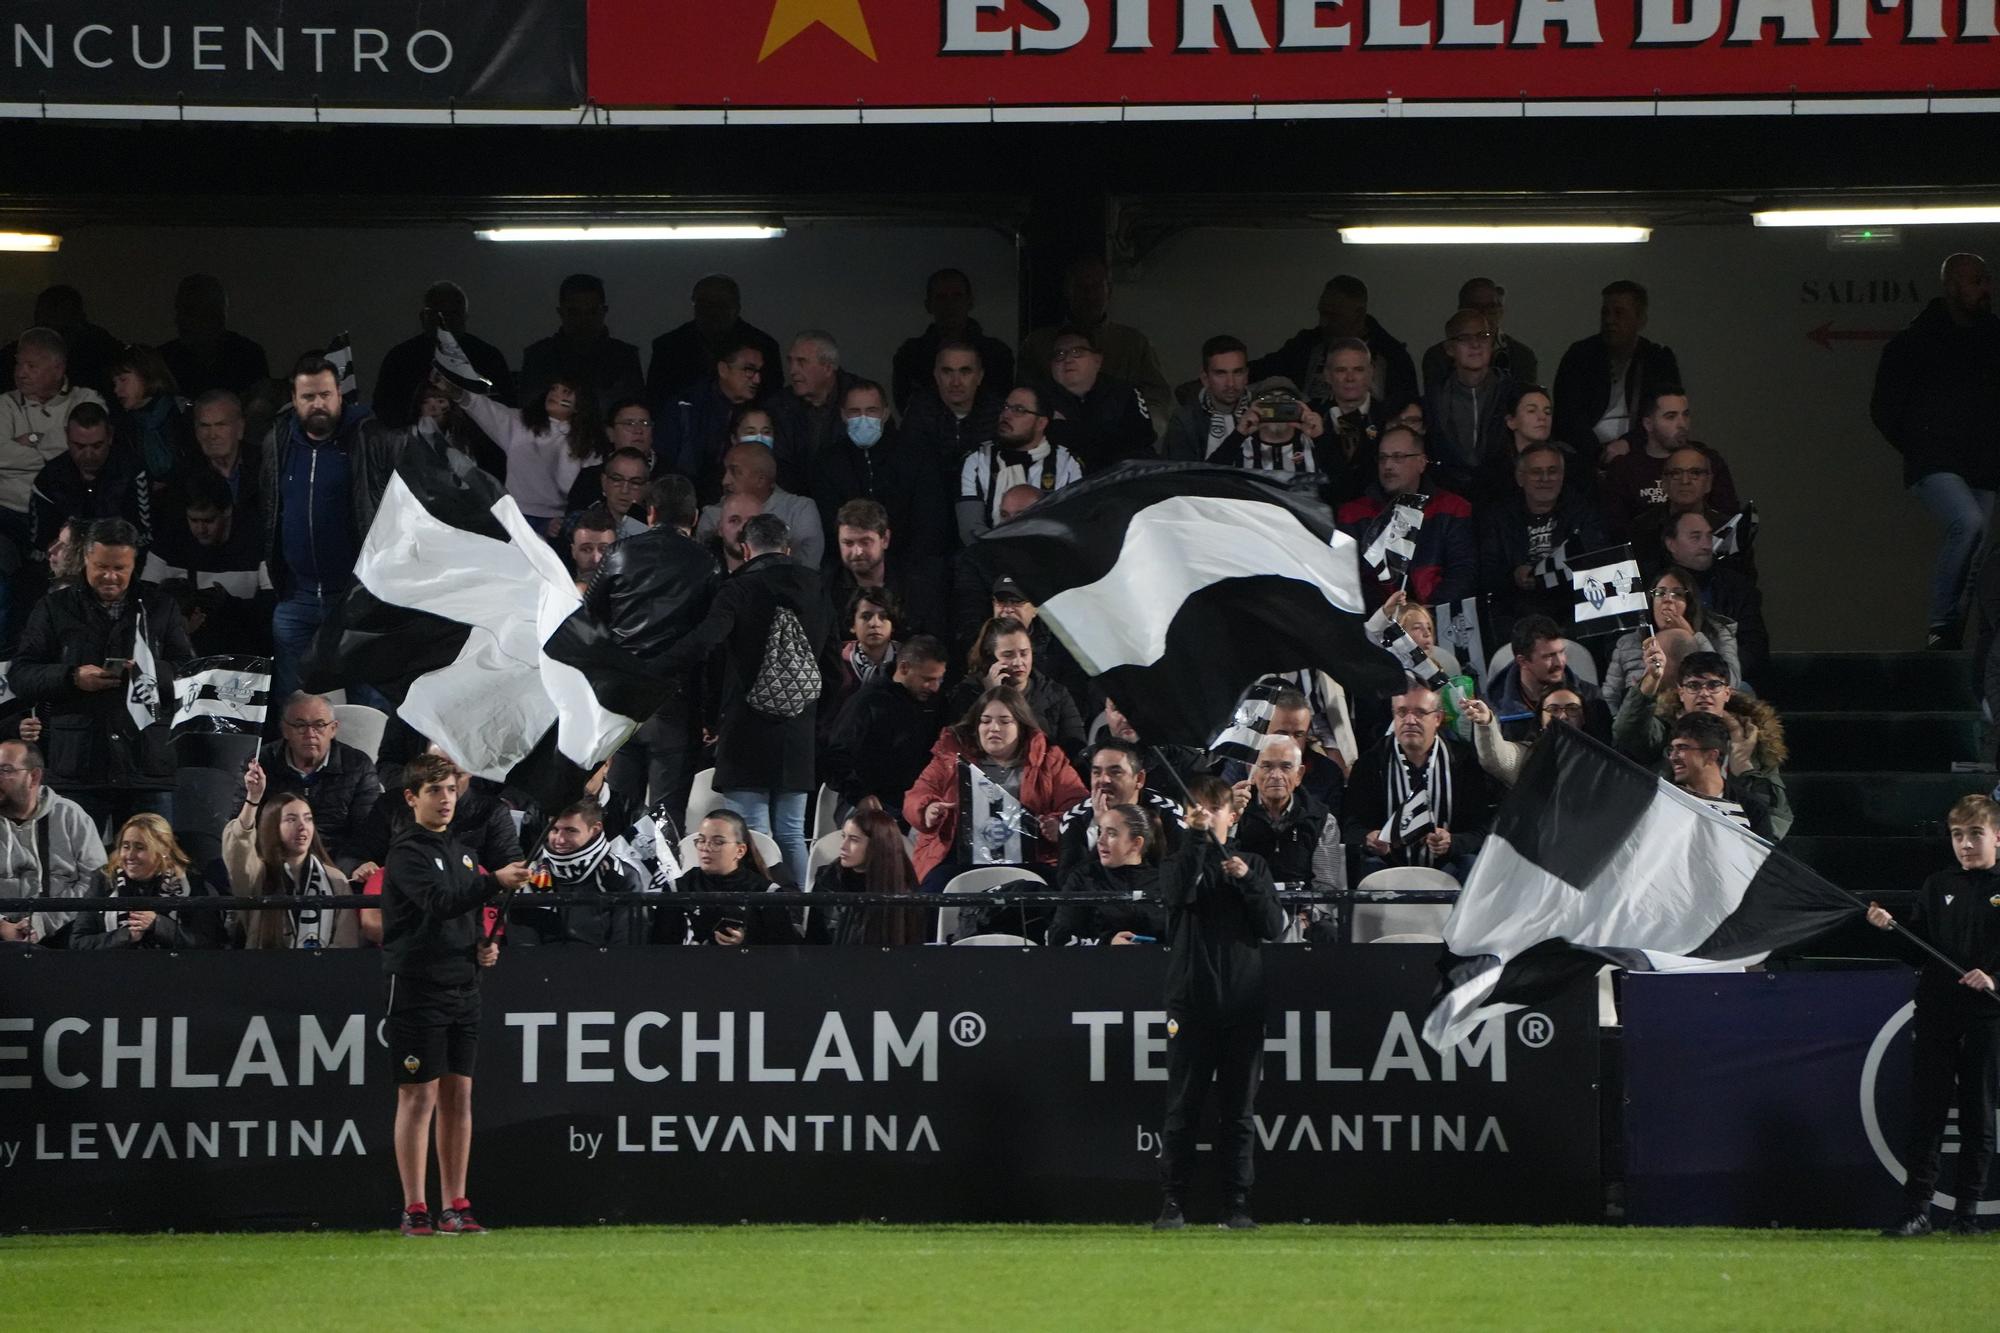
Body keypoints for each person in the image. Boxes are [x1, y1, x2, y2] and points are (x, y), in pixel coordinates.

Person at [380, 752, 530, 1237]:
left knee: (459, 1094)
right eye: (434, 791)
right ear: (412, 798)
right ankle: (414, 1206)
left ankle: (455, 1203)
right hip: (419, 985)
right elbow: (440, 903)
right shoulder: (406, 852)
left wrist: (484, 947)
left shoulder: (464, 852)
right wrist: (492, 882)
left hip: (465, 986)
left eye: (450, 790)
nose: (445, 800)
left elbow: (466, 918)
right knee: (417, 1097)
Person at [656, 514, 831, 880]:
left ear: (746, 549)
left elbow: (708, 647)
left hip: (746, 726)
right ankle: (795, 919)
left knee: (753, 830)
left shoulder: (738, 588)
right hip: (798, 728)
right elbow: (831, 664)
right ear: (787, 548)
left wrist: (656, 667)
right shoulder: (817, 586)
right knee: (791, 832)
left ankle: (762, 916)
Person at [1154, 772, 1284, 1231]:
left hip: (1242, 1008)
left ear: (1234, 814)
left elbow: (1274, 926)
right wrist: (1194, 842)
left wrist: (1248, 881)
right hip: (1191, 1005)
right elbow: (1172, 896)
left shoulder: (1254, 865)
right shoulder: (1180, 862)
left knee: (1239, 1112)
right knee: (1182, 1108)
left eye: (1215, 809)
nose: (1208, 817)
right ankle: (1173, 1203)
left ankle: (1238, 1204)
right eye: (1199, 810)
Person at [1869, 794, 2000, 1237]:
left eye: (1975, 834)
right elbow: (1915, 951)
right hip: (1937, 1013)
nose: (1965, 844)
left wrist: (1995, 978)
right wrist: (1891, 929)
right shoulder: (1937, 884)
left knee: (1977, 1116)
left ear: (1997, 836)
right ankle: (1917, 1212)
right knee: (1926, 1115)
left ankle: (1966, 1215)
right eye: (1958, 835)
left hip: (1987, 1017)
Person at [9, 518, 191, 832]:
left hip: (146, 766)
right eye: (101, 566)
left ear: (135, 563)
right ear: (86, 560)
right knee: (71, 870)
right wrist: (72, 677)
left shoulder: (161, 606)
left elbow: (189, 674)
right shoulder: (54, 608)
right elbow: (22, 674)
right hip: (79, 767)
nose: (110, 576)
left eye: (120, 568)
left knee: (155, 868)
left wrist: (148, 673)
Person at [260, 353, 414, 709]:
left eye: (325, 395)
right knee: (294, 700)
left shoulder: (370, 436)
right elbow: (270, 510)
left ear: (340, 395)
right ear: (294, 400)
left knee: (368, 701)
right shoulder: (278, 442)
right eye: (308, 396)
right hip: (296, 596)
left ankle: (372, 766)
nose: (318, 404)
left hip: (354, 596)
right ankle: (294, 766)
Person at [1872, 253, 2000, 649]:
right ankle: (1942, 624)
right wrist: (1922, 444)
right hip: (1938, 459)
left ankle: (1948, 637)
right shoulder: (1915, 343)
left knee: (1975, 545)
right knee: (1969, 525)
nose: (1985, 289)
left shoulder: (1992, 339)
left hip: (1985, 462)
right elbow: (1885, 407)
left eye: (1985, 280)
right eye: (1975, 281)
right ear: (1952, 286)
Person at [587, 475, 720, 817]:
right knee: (666, 818)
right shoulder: (706, 565)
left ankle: (619, 871)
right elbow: (711, 641)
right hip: (675, 704)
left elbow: (588, 621)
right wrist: (711, 711)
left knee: (617, 810)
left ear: (650, 513)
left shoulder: (618, 555)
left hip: (621, 701)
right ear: (694, 517)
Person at [903, 684, 1086, 892]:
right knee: (934, 889)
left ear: (1021, 726)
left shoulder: (1049, 758)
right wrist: (927, 809)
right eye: (985, 721)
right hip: (958, 858)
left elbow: (1078, 807)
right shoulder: (950, 755)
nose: (994, 728)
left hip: (1033, 858)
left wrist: (1058, 823)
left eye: (1004, 721)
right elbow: (916, 795)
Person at [1612, 648, 1792, 837]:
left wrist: (1746, 770)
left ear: (1727, 693)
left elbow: (1777, 814)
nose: (1704, 693)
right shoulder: (1665, 731)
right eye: (1694, 686)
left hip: (1736, 840)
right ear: (1681, 692)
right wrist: (1651, 679)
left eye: (1713, 685)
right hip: (1671, 834)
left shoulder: (1754, 740)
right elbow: (1626, 731)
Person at [0, 328, 106, 641]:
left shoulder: (86, 400)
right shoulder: (5, 404)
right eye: (19, 364)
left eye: (31, 366)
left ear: (58, 368)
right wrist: (51, 452)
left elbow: (81, 450)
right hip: (7, 514)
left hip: (61, 517)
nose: (21, 373)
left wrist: (28, 444)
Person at [1342, 682, 1492, 882]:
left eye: (1420, 713)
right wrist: (1368, 838)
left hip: (1448, 867)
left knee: (1471, 865)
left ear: (1438, 718)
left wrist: (1453, 842)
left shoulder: (1463, 761)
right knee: (1368, 868)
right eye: (1402, 712)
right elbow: (1350, 826)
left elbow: (1482, 829)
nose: (1410, 720)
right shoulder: (1371, 762)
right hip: (1386, 867)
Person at [435, 370, 600, 536]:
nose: (556, 394)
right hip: (515, 515)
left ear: (580, 403)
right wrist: (453, 390)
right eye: (553, 389)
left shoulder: (586, 440)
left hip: (555, 522)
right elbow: (482, 407)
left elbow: (581, 488)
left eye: (565, 392)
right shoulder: (520, 423)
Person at [1476, 441, 1609, 644]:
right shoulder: (1498, 516)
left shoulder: (1583, 512)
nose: (1545, 479)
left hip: (1568, 602)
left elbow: (1595, 560)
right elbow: (1487, 569)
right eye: (1536, 472)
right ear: (1520, 478)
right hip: (1516, 604)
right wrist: (1513, 575)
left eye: (1552, 471)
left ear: (1562, 476)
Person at [1334, 424, 1477, 612]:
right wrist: (1389, 613)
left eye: (1398, 457)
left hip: (1439, 620)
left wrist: (1424, 614)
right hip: (1375, 623)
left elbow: (1463, 571)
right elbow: (1350, 578)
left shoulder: (1453, 508)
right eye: (1383, 458)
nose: (1388, 465)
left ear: (1422, 462)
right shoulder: (1353, 514)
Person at [1020, 255, 1173, 429]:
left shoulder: (1133, 343)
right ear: (1067, 291)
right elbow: (1024, 396)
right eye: (1081, 288)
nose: (1089, 296)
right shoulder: (1038, 343)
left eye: (1096, 287)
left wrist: (1142, 427)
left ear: (1109, 291)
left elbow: (1157, 395)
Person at [234, 692, 382, 870]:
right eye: (300, 725)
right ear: (285, 730)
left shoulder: (358, 765)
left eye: (319, 725)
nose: (310, 734)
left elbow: (365, 831)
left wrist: (349, 866)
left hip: (338, 862)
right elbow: (239, 823)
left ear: (333, 729)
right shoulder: (259, 763)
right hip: (275, 862)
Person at [142, 469, 275, 656]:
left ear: (227, 511)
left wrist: (231, 605)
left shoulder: (256, 538)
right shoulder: (170, 539)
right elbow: (145, 597)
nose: (200, 529)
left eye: (208, 520)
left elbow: (270, 607)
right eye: (193, 520)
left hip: (242, 646)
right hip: (183, 648)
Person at [813, 377, 950, 559]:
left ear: (885, 414)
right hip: (852, 565)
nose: (863, 418)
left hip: (910, 565)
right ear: (843, 415)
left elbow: (929, 522)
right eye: (855, 412)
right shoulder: (828, 462)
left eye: (871, 411)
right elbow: (830, 524)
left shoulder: (916, 455)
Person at [1552, 279, 1684, 466]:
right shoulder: (1580, 355)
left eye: (1619, 313)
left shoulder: (1657, 359)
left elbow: (1667, 414)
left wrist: (1629, 443)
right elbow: (1568, 416)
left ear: (1641, 320)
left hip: (1641, 450)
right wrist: (1599, 453)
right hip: (1585, 454)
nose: (1609, 320)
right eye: (1605, 313)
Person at [823, 634, 950, 818]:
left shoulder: (936, 703)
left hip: (920, 804)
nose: (934, 687)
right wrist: (860, 796)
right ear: (904, 667)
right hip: (872, 808)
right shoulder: (868, 702)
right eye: (927, 679)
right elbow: (835, 757)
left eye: (940, 679)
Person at [1251, 274, 1418, 408]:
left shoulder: (1392, 357)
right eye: (1322, 313)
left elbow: (1406, 410)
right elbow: (1263, 369)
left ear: (1359, 314)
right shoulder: (1306, 346)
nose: (1323, 322)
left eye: (1333, 316)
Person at [372, 282, 516, 438]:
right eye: (438, 313)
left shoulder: (488, 357)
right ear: (424, 317)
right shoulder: (400, 358)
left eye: (453, 314)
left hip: (478, 450)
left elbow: (506, 409)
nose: (445, 320)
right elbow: (384, 410)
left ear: (464, 316)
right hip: (414, 448)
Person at [1597, 386, 1740, 541]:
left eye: (1685, 415)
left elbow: (1729, 518)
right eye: (1670, 417)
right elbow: (1616, 531)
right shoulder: (1626, 468)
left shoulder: (1708, 459)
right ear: (1648, 424)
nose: (1682, 424)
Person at [0, 738, 106, 947]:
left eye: (5, 770)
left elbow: (95, 881)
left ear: (33, 777)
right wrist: (2, 926)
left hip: (63, 933)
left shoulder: (71, 816)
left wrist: (43, 922)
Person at [68, 813, 224, 950]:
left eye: (140, 847)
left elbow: (209, 943)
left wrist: (158, 925)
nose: (130, 855)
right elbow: (79, 942)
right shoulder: (103, 880)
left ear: (163, 850)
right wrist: (125, 936)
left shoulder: (192, 883)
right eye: (125, 846)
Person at [227, 791, 363, 949]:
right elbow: (238, 850)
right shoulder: (256, 874)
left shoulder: (335, 879)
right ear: (272, 826)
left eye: (308, 819)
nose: (302, 826)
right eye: (291, 819)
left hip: (321, 970)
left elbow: (345, 943)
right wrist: (252, 800)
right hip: (262, 970)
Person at [507, 798, 649, 948]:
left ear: (595, 829)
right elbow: (523, 944)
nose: (560, 839)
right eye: (554, 829)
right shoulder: (529, 875)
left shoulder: (622, 876)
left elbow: (627, 946)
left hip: (604, 967)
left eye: (570, 830)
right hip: (541, 967)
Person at [28, 401, 151, 571]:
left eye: (97, 446)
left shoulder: (132, 472)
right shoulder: (48, 479)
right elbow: (40, 546)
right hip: (68, 569)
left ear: (110, 437)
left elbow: (144, 537)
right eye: (79, 446)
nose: (88, 455)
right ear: (67, 437)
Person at [944, 616, 1087, 761]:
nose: (1019, 662)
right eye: (1008, 655)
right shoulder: (968, 693)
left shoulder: (1056, 694)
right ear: (991, 657)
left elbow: (1075, 749)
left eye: (1024, 653)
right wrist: (990, 698)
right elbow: (960, 748)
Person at [1600, 567, 1741, 711]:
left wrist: (1694, 638)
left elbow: (1733, 682)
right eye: (1660, 593)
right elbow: (1610, 696)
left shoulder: (1718, 633)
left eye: (1678, 594)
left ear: (1690, 604)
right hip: (1645, 721)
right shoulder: (1629, 643)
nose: (1667, 600)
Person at [957, 386, 1081, 545]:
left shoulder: (1068, 465)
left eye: (1019, 410)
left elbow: (1069, 528)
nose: (1006, 414)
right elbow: (970, 529)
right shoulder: (977, 459)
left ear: (1041, 423)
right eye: (1006, 407)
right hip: (988, 560)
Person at [1661, 509, 1770, 684]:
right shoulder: (1653, 586)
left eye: (1708, 537)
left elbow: (1754, 648)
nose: (1706, 545)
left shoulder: (1739, 588)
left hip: (1726, 683)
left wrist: (1717, 675)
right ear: (1671, 544)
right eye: (1695, 537)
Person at [1232, 735, 1343, 902]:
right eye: (1267, 766)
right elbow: (1216, 868)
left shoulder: (1323, 820)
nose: (1276, 775)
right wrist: (1227, 817)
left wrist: (1304, 919)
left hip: (1301, 911)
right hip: (1244, 910)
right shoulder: (1233, 812)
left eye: (1286, 767)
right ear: (1252, 772)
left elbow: (1325, 888)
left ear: (1299, 774)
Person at [1055, 739, 1186, 879]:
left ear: (1139, 779)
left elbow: (1179, 875)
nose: (1104, 780)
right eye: (1097, 773)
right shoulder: (1075, 818)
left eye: (1115, 772)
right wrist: (1101, 829)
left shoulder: (1168, 811)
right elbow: (1067, 883)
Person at [646, 274, 781, 408]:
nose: (713, 311)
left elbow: (771, 400)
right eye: (706, 304)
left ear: (736, 306)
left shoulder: (764, 346)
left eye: (722, 304)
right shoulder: (668, 346)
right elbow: (658, 402)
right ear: (695, 305)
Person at [891, 268, 1014, 414]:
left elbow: (999, 404)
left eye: (957, 296)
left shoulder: (996, 353)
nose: (950, 304)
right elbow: (907, 407)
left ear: (969, 302)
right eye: (941, 297)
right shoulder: (911, 354)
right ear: (929, 305)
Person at [825, 497, 946, 643]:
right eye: (848, 543)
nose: (857, 551)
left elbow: (933, 646)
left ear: (885, 539)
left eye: (865, 542)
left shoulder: (917, 585)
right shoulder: (824, 589)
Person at [1420, 308, 1514, 496]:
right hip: (1448, 498)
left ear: (1493, 342)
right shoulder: (1433, 400)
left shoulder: (1512, 393)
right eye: (1464, 338)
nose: (1475, 344)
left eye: (1483, 335)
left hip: (1503, 496)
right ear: (1449, 349)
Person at [518, 272, 644, 412]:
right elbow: (530, 412)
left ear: (603, 312)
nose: (583, 320)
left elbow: (633, 411)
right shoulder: (538, 356)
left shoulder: (625, 357)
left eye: (591, 312)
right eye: (574, 312)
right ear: (561, 312)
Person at [1629, 444, 1755, 583]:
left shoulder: (1729, 529)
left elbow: (1745, 584)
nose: (1685, 481)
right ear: (1664, 483)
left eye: (1695, 473)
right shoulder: (1642, 527)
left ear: (1708, 482)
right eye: (1676, 473)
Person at [659, 337, 766, 499]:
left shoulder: (760, 412)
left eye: (759, 371)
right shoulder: (685, 407)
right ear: (723, 370)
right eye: (748, 370)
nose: (757, 379)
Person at [1049, 802, 1168, 948]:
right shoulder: (1084, 878)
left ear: (1136, 843)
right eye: (1100, 832)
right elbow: (1058, 938)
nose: (1100, 840)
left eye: (1111, 834)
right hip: (1096, 967)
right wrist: (1107, 943)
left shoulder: (1163, 881)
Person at [1040, 325, 1155, 475]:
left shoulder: (1124, 393)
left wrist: (1070, 431)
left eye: (1077, 352)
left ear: (1097, 360)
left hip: (1117, 480)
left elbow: (1140, 441)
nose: (1067, 359)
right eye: (1059, 354)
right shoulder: (1039, 398)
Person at [695, 442, 825, 571]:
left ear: (760, 480)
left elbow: (807, 571)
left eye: (735, 472)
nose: (725, 481)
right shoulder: (712, 515)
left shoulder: (799, 510)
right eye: (734, 520)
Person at [1486, 614, 1613, 744]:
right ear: (1523, 661)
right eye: (1548, 656)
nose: (1560, 662)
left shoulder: (1591, 698)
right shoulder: (1491, 709)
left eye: (1562, 652)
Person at [812, 808, 926, 946]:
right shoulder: (827, 881)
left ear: (877, 845)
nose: (843, 846)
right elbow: (813, 941)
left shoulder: (905, 889)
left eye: (854, 840)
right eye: (844, 837)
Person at [1205, 375, 1331, 489]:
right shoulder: (1239, 445)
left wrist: (1319, 438)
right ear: (1255, 407)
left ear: (1299, 407)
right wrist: (1238, 434)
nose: (1276, 404)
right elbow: (1207, 481)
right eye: (1268, 400)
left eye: (1285, 399)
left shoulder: (1312, 443)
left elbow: (1341, 484)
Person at [769, 330, 855, 494]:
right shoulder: (778, 405)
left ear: (828, 368)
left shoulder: (861, 399)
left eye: (802, 362)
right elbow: (779, 466)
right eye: (790, 361)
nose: (793, 370)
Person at [159, 274, 270, 399]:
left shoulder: (248, 355)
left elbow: (258, 408)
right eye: (180, 310)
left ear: (216, 315)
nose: (180, 319)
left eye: (190, 311)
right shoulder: (164, 359)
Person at [1663, 711, 1774, 836]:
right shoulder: (1664, 802)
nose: (1673, 757)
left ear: (1711, 755)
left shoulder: (1751, 809)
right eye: (1671, 749)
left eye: (1682, 748)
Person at [900, 338, 1004, 470]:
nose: (956, 382)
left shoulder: (999, 414)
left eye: (965, 372)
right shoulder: (918, 413)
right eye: (947, 372)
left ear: (979, 376)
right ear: (936, 376)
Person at [1421, 278, 1538, 392]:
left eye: (1490, 307)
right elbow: (1436, 405)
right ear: (1461, 311)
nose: (1484, 315)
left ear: (1501, 310)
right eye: (1476, 308)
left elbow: (1525, 405)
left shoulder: (1521, 355)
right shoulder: (1437, 357)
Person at [1313, 338, 1389, 506]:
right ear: (1327, 375)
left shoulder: (1390, 416)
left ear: (1371, 372)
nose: (1350, 377)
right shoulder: (1310, 418)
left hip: (1377, 515)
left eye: (1358, 369)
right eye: (1341, 370)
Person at [107, 344, 189, 490]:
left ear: (146, 374)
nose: (116, 389)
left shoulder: (182, 414)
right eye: (115, 382)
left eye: (123, 380)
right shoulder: (122, 425)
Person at [1462, 691, 1586, 788]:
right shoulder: (1530, 756)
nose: (1563, 716)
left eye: (1572, 709)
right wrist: (1486, 722)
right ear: (1541, 719)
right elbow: (1496, 758)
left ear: (1583, 717)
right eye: (1553, 709)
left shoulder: (1601, 754)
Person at [1164, 335, 1251, 464]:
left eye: (1237, 372)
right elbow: (1180, 478)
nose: (1230, 383)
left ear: (1246, 375)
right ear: (1205, 378)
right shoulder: (1185, 420)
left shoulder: (1262, 412)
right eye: (1220, 373)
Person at [825, 587, 901, 723]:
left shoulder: (907, 660)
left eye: (883, 617)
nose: (874, 624)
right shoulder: (836, 661)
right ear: (852, 624)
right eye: (866, 617)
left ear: (893, 624)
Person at [568, 506, 618, 594]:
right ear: (573, 551)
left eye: (604, 549)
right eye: (586, 549)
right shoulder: (559, 594)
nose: (596, 559)